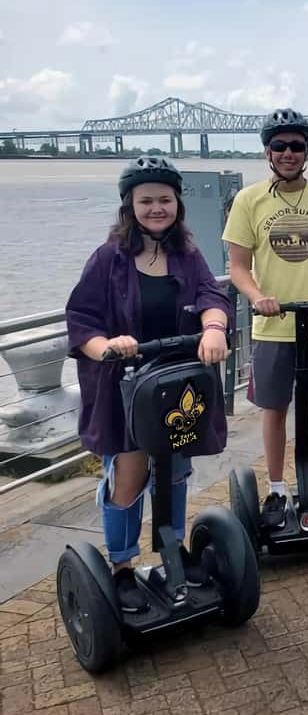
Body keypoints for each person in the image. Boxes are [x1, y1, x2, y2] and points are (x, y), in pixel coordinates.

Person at [65, 157, 233, 613]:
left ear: (177, 202)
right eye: (146, 201)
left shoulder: (186, 253)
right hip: (125, 390)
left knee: (175, 470)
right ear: (129, 206)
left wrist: (214, 327)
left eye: (164, 199)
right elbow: (81, 320)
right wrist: (108, 347)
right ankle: (121, 568)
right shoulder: (108, 258)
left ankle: (172, 548)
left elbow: (210, 294)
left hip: (175, 384)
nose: (156, 208)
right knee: (130, 474)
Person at [222, 108, 308, 528]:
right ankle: (278, 490)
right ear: (267, 151)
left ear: (306, 151)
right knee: (275, 408)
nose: (288, 153)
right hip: (272, 327)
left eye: (296, 146)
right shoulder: (249, 201)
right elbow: (238, 267)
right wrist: (258, 297)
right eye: (279, 146)